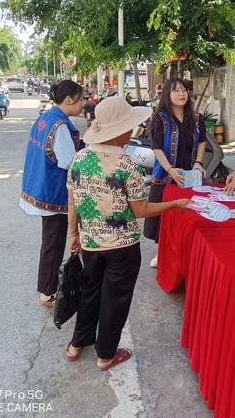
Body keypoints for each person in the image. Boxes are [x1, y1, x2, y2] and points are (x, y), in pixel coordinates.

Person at [65, 96, 190, 369]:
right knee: (114, 301)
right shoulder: (127, 166)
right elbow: (141, 210)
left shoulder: (79, 158)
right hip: (122, 249)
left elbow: (72, 202)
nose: (133, 131)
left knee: (90, 292)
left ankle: (76, 344)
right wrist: (175, 204)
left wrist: (73, 235)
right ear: (120, 131)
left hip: (90, 243)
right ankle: (106, 354)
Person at [20, 80, 83, 307]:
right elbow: (68, 161)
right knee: (53, 243)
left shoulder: (46, 117)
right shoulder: (60, 126)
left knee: (50, 241)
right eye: (81, 99)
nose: (83, 104)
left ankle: (50, 283)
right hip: (53, 192)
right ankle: (47, 293)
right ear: (69, 100)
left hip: (39, 186)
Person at [143, 78, 207, 268]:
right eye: (176, 91)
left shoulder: (196, 118)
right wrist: (170, 169)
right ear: (167, 95)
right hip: (165, 175)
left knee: (186, 214)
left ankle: (182, 254)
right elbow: (156, 148)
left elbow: (202, 141)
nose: (181, 94)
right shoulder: (160, 118)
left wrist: (198, 162)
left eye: (184, 90)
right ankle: (161, 252)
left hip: (189, 175)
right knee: (163, 215)